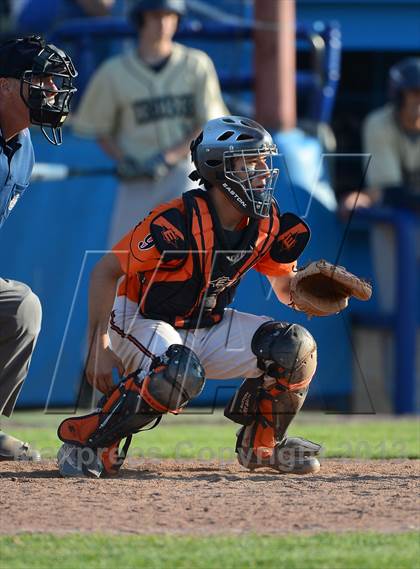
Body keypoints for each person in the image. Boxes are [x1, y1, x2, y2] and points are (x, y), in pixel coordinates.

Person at [57, 115, 332, 479]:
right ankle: (89, 443)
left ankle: (261, 446)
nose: (264, 169)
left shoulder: (267, 222)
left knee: (295, 348)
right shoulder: (175, 222)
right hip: (140, 317)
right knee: (177, 371)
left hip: (204, 323)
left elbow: (285, 287)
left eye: (265, 159)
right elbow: (105, 272)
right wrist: (98, 344)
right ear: (219, 166)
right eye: (252, 160)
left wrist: (304, 293)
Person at [72, 0, 228, 247]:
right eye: (156, 16)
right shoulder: (114, 72)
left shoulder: (196, 63)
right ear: (140, 19)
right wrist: (124, 159)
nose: (164, 23)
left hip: (184, 174)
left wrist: (169, 156)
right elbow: (99, 128)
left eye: (170, 16)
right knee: (123, 261)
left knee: (190, 254)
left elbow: (209, 124)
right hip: (137, 180)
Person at [0, 35, 77, 460]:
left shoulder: (23, 145)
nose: (51, 91)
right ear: (4, 85)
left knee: (20, 306)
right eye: (40, 81)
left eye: (53, 82)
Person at [340, 57, 420, 311]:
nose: (418, 102)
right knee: (395, 307)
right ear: (399, 96)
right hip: (396, 224)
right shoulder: (379, 123)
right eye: (414, 93)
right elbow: (392, 193)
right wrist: (372, 196)